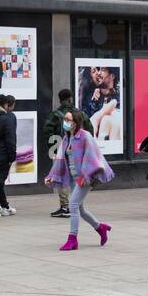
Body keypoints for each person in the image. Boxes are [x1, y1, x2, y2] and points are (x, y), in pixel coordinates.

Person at [46, 108, 113, 251]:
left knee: (73, 205)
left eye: (68, 120)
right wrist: (52, 177)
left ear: (76, 122)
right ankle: (100, 227)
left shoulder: (85, 136)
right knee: (80, 209)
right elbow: (60, 159)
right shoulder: (66, 138)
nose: (65, 122)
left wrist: (85, 176)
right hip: (72, 178)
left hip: (85, 178)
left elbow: (92, 157)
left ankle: (72, 239)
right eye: (65, 119)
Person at [42, 89, 93, 219]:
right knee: (76, 176)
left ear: (60, 100)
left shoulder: (55, 114)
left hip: (61, 149)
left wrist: (54, 147)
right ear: (71, 98)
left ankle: (65, 206)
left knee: (61, 176)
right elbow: (90, 129)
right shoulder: (80, 113)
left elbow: (47, 130)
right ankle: (75, 203)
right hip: (78, 151)